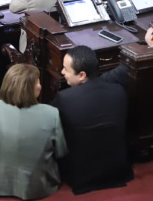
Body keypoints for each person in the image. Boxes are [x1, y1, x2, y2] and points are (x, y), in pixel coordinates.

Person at [0, 64, 67, 199]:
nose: (40, 86)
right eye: (38, 81)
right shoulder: (51, 114)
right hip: (37, 185)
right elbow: (61, 151)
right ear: (29, 89)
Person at [52, 46, 133, 194]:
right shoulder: (119, 91)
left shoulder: (65, 98)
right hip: (117, 170)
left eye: (65, 69)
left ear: (82, 75)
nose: (62, 72)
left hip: (81, 175)